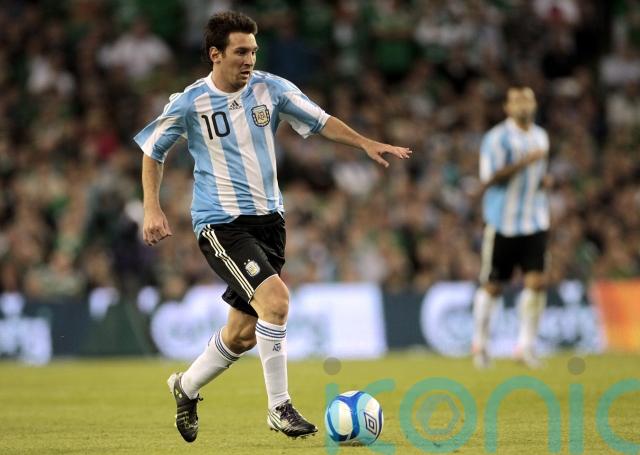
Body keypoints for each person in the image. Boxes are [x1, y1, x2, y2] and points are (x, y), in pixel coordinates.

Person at [134, 11, 411, 443]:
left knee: (242, 335)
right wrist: (152, 208)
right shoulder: (190, 103)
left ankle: (185, 387)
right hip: (221, 224)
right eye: (240, 52)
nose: (249, 59)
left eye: (253, 51)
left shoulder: (272, 89)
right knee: (276, 302)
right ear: (215, 54)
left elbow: (321, 120)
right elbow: (153, 151)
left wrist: (364, 142)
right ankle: (279, 408)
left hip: (270, 223)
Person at [471, 86, 551, 369]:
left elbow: (538, 176)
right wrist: (523, 163)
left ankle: (525, 346)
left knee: (537, 282)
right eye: (517, 100)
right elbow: (488, 177)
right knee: (492, 286)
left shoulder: (541, 136)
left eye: (527, 99)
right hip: (502, 223)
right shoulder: (496, 138)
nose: (523, 105)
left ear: (535, 104)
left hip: (535, 220)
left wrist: (545, 181)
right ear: (507, 107)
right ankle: (480, 344)